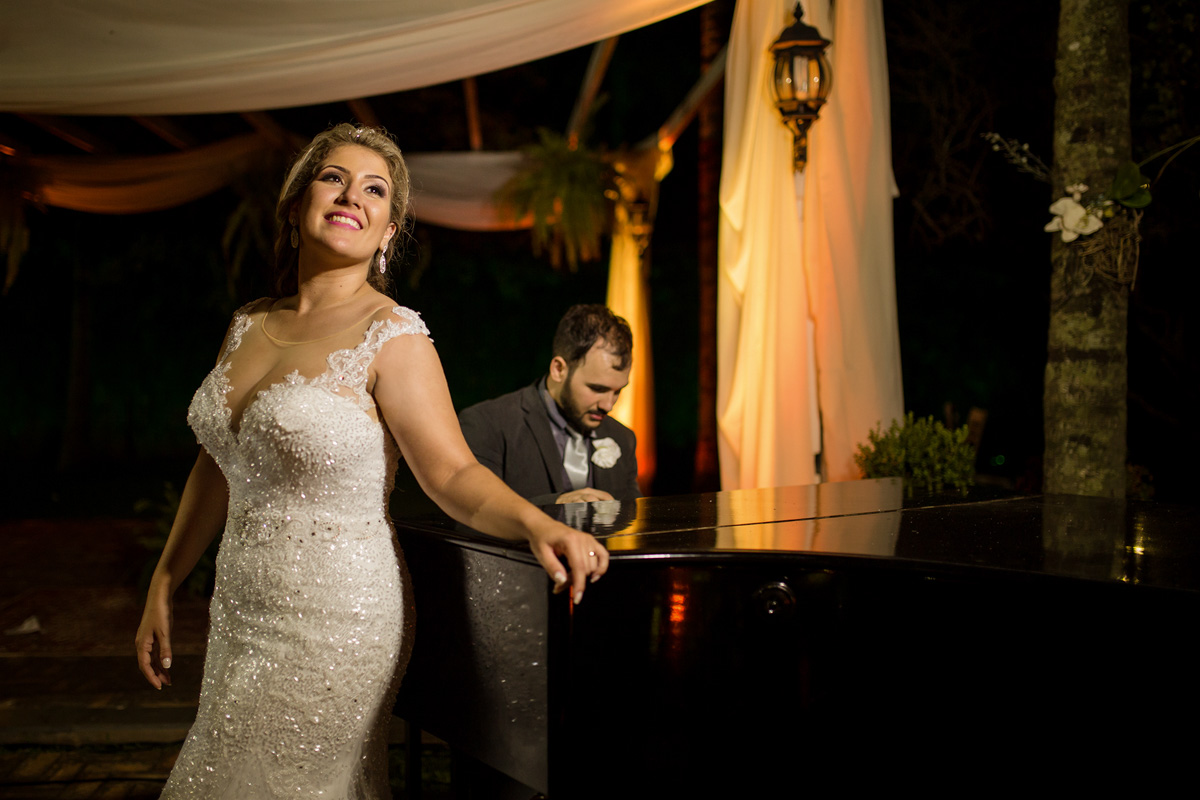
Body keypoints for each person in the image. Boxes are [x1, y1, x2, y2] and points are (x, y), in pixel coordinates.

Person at [134, 123, 608, 798]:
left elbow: (451, 474)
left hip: (337, 619)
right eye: (333, 177)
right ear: (297, 203)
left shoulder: (394, 335)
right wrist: (165, 578)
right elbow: (220, 463)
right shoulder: (245, 325)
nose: (352, 194)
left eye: (375, 189)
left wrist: (539, 525)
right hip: (240, 613)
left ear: (388, 232)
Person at [458, 304, 641, 506]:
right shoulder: (488, 424)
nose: (608, 405)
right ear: (559, 369)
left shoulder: (623, 438)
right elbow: (471, 512)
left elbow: (633, 522)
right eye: (597, 389)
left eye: (618, 391)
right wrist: (556, 505)